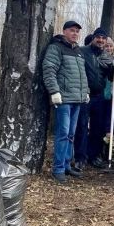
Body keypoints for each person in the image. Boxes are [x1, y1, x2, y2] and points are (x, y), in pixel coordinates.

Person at [42, 21, 88, 183]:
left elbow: (82, 74)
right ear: (64, 31)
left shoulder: (78, 51)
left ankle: (67, 165)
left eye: (77, 31)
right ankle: (58, 168)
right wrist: (54, 91)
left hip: (77, 98)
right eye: (72, 30)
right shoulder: (56, 48)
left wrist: (86, 92)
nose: (75, 33)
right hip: (63, 99)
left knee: (70, 134)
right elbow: (49, 70)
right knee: (62, 134)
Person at [74, 27, 114, 170]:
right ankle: (80, 157)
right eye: (98, 37)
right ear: (94, 38)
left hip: (99, 97)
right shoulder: (82, 52)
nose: (101, 40)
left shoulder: (107, 56)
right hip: (85, 95)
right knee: (82, 127)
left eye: (103, 38)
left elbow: (111, 78)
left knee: (98, 128)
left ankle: (94, 156)